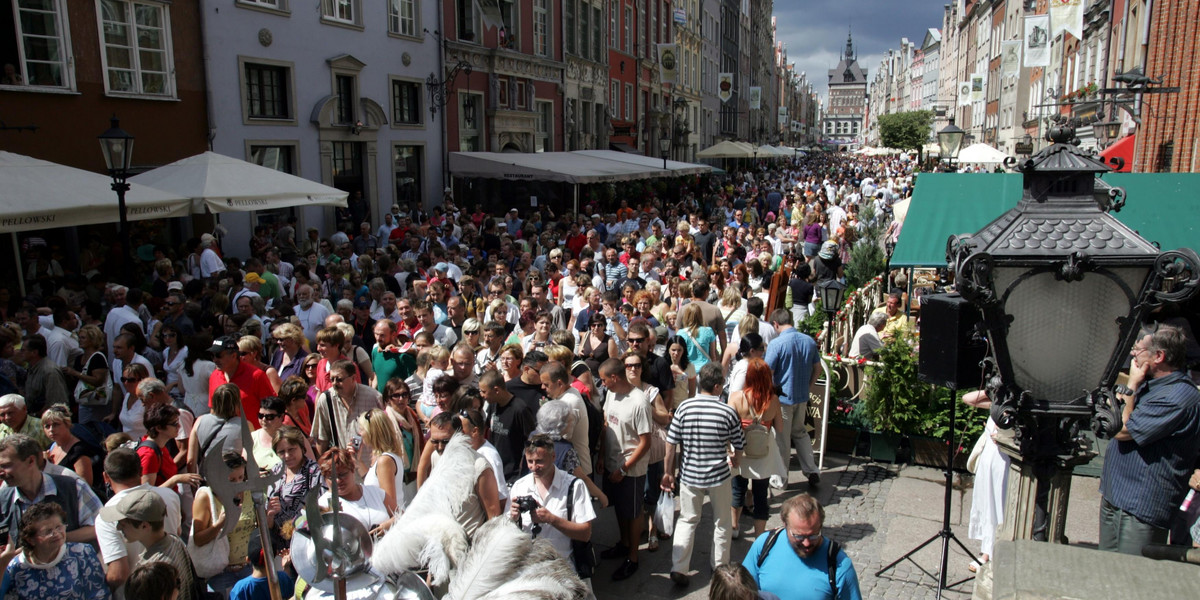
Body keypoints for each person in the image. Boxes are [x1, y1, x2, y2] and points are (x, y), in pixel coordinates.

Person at [1100, 324, 1200, 554]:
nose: (1133, 354)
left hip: (1141, 505)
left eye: (1138, 349)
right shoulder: (1150, 383)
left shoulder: (1178, 397)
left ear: (1159, 356)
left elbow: (1121, 429)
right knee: (1104, 574)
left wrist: (1131, 386)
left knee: (1131, 579)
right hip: (1116, 494)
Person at [660, 363, 745, 587]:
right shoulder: (727, 411)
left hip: (689, 474)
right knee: (722, 521)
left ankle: (679, 566)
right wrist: (736, 460)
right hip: (718, 475)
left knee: (688, 520)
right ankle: (719, 566)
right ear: (717, 386)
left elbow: (671, 443)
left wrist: (668, 472)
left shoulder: (684, 408)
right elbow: (739, 444)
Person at [95, 447, 183, 597]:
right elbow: (178, 532)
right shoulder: (170, 496)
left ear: (105, 477)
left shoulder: (104, 518)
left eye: (123, 524)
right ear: (141, 470)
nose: (120, 527)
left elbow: (117, 574)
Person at [742, 493, 862, 600]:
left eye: (814, 535)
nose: (806, 543)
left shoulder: (839, 564)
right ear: (785, 524)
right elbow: (742, 592)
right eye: (799, 536)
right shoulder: (764, 544)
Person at [507, 434, 596, 574]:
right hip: (527, 570)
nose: (534, 467)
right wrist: (512, 518)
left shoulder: (574, 486)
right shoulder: (519, 487)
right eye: (530, 461)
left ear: (553, 457)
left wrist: (551, 519)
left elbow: (585, 533)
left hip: (562, 569)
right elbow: (507, 533)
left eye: (539, 461)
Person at [596, 358, 651, 581]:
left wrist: (625, 469)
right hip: (611, 464)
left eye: (603, 380)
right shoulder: (611, 394)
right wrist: (601, 455)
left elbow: (644, 442)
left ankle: (633, 556)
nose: (602, 385)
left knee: (633, 512)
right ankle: (624, 543)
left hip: (631, 470)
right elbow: (606, 424)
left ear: (614, 378)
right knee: (619, 507)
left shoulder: (639, 402)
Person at [0, 434, 102, 544]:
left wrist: (55, 540)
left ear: (31, 461)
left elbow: (100, 526)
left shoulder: (72, 487)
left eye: (6, 465)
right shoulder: (4, 499)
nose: (1, 472)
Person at [0, 501, 108, 600]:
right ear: (31, 540)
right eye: (48, 531)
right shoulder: (15, 568)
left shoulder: (82, 553)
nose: (56, 533)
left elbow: (99, 594)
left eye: (59, 527)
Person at [728, 358, 787, 539]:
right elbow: (780, 428)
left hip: (741, 448)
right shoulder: (773, 400)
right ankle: (759, 534)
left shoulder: (737, 397)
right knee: (761, 494)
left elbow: (728, 425)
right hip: (763, 452)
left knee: (737, 489)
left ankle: (734, 527)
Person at [101, 489, 195, 600]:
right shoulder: (175, 541)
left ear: (144, 526)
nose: (118, 528)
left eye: (123, 523)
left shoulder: (155, 572)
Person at [764, 309, 821, 488]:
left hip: (782, 399)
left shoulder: (777, 343)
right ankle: (812, 470)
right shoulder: (809, 341)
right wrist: (809, 386)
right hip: (801, 396)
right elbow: (817, 368)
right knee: (800, 432)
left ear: (775, 324)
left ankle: (781, 478)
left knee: (782, 437)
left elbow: (769, 373)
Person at [191, 451, 257, 595]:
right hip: (220, 574)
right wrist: (220, 524)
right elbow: (198, 539)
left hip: (249, 569)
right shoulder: (206, 497)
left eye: (241, 477)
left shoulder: (249, 492)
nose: (238, 483)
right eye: (231, 480)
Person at [962, 390, 1009, 571]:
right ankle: (986, 552)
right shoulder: (996, 405)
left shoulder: (1014, 412)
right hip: (988, 460)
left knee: (1000, 504)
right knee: (986, 503)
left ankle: (998, 553)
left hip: (1003, 460)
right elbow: (968, 399)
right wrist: (991, 390)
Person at [265, 425, 323, 553]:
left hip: (307, 542)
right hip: (279, 546)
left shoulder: (314, 472)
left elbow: (321, 510)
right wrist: (269, 515)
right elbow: (268, 515)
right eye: (281, 452)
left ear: (302, 448)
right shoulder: (275, 472)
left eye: (291, 449)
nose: (287, 455)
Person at [311, 359, 382, 457]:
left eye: (339, 379)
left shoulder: (374, 397)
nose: (334, 383)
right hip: (343, 467)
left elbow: (385, 434)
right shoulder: (326, 399)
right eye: (332, 379)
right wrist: (319, 466)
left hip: (370, 464)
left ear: (353, 378)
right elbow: (321, 438)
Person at [318, 448, 394, 535]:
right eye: (331, 477)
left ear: (352, 470)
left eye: (342, 474)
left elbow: (401, 516)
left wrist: (388, 525)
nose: (338, 480)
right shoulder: (323, 504)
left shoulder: (375, 492)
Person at [479, 369, 536, 483]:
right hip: (494, 468)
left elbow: (531, 440)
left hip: (512, 474)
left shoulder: (520, 410)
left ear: (496, 390)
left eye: (484, 391)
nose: (482, 395)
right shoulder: (493, 405)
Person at [207, 336, 275, 429]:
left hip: (252, 437)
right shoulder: (214, 376)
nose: (214, 360)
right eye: (212, 355)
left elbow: (271, 408)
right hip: (224, 436)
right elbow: (213, 409)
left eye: (218, 355)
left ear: (234, 356)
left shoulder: (256, 376)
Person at [229, 541, 295, 600]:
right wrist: (286, 567)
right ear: (274, 556)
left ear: (248, 559)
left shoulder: (241, 587)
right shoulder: (283, 577)